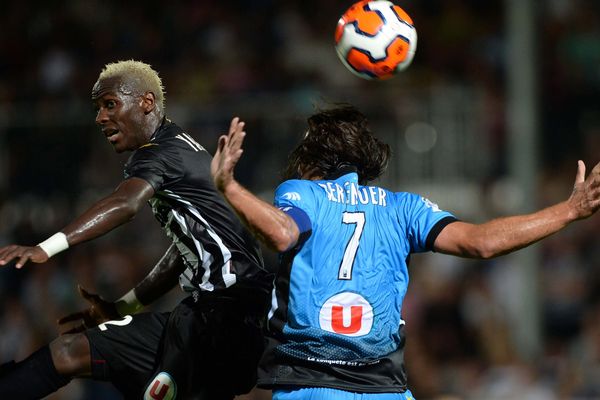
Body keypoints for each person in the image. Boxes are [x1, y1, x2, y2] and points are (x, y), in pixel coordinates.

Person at [210, 105, 600, 400]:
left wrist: (230, 187)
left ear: (311, 164)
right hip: (385, 388)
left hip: (311, 383)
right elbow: (481, 242)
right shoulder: (402, 207)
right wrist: (569, 210)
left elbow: (281, 234)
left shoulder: (303, 192)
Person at [0, 60, 272, 400]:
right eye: (98, 108)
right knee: (70, 352)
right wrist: (122, 307)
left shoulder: (159, 154)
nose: (100, 117)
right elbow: (183, 253)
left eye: (110, 104)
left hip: (219, 319)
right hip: (236, 320)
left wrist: (46, 247)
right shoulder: (185, 150)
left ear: (146, 103)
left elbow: (125, 205)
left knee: (71, 354)